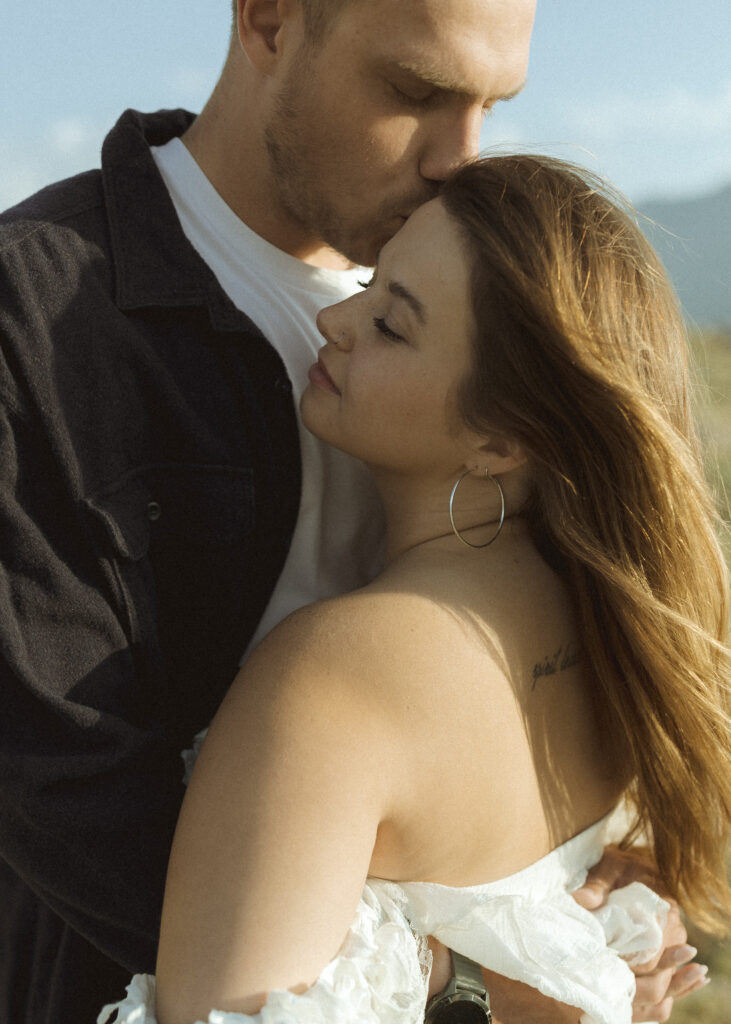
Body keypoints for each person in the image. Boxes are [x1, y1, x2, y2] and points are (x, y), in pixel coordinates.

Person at [0, 0, 706, 1019]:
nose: (458, 157)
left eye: (491, 103)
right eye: (416, 92)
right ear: (270, 18)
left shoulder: (474, 286)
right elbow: (71, 798)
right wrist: (482, 984)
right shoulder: (35, 323)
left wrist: (594, 894)